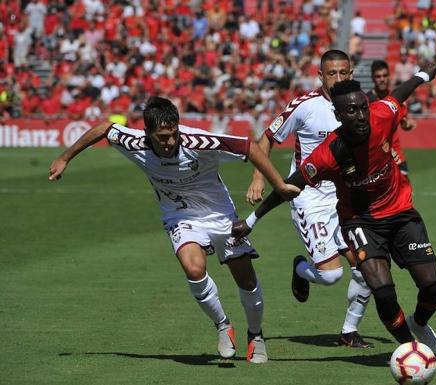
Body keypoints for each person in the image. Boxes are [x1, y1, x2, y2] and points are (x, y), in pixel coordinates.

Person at [48, 96, 300, 363]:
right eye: (162, 137)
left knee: (245, 279)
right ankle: (223, 325)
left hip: (220, 215)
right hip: (180, 217)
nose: (169, 142)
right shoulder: (135, 143)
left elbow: (249, 146)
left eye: (173, 134)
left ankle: (256, 335)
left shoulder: (198, 142)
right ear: (147, 134)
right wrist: (66, 157)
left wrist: (275, 183)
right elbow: (105, 128)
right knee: (193, 268)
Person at [233, 63, 436, 362]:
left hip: (401, 212)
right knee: (382, 292)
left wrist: (424, 75)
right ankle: (411, 351)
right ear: (338, 115)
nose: (361, 117)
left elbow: (400, 92)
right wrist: (252, 220)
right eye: (352, 111)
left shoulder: (382, 115)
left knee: (432, 287)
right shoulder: (329, 154)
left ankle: (419, 324)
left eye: (363, 108)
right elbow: (288, 187)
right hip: (361, 222)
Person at [245, 50, 372, 348]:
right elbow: (266, 138)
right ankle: (301, 268)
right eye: (332, 73)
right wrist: (258, 177)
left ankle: (348, 332)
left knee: (368, 269)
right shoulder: (304, 106)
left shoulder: (360, 104)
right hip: (310, 197)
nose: (338, 78)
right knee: (331, 277)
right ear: (321, 76)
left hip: (345, 198)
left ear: (351, 74)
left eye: (344, 73)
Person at [366, 60, 414, 176]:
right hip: (376, 158)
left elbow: (404, 124)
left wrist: (408, 124)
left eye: (384, 75)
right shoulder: (366, 102)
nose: (382, 79)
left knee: (405, 192)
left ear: (389, 76)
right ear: (372, 78)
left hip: (397, 156)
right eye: (378, 76)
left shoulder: (397, 99)